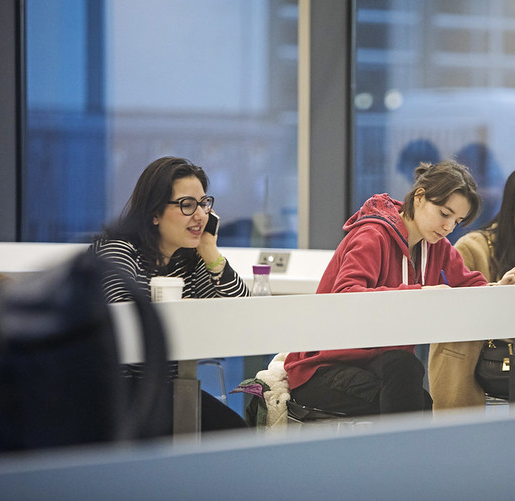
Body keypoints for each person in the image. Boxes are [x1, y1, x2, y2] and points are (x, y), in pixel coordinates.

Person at [284, 160, 488, 417]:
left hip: (376, 365)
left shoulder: (436, 245)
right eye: (444, 214)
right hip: (319, 369)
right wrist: (418, 295)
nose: (449, 227)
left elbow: (471, 284)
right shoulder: (372, 236)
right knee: (412, 396)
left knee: (409, 379)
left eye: (457, 221)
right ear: (420, 197)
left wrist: (499, 287)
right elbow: (345, 297)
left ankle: (400, 456)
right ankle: (405, 456)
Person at [91, 156, 248, 433]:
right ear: (154, 213)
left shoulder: (192, 258)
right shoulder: (117, 250)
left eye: (204, 204)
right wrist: (178, 313)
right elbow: (125, 325)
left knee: (238, 435)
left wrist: (210, 249)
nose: (200, 215)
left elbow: (242, 315)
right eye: (187, 205)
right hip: (113, 393)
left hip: (168, 390)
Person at [428, 167, 515, 411]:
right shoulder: (473, 247)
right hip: (473, 368)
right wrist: (498, 293)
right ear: (511, 206)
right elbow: (449, 315)